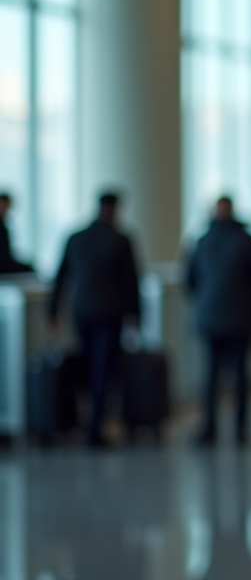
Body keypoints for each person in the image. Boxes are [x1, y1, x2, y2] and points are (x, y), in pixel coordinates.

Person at [48, 191, 142, 447]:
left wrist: (52, 312)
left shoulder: (76, 237)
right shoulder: (120, 240)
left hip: (82, 310)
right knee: (102, 369)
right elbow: (131, 281)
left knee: (88, 366)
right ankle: (94, 427)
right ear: (114, 209)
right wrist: (136, 316)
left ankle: (88, 420)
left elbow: (60, 276)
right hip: (110, 313)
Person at [186, 196, 251, 446]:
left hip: (209, 318)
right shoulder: (246, 241)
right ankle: (240, 429)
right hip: (240, 318)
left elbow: (190, 278)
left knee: (210, 375)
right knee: (240, 375)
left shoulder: (202, 241)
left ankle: (209, 427)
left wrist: (202, 303)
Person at [0, 192, 36, 275]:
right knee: (29, 269)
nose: (5, 208)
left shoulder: (4, 225)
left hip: (5, 262)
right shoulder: (2, 227)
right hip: (3, 264)